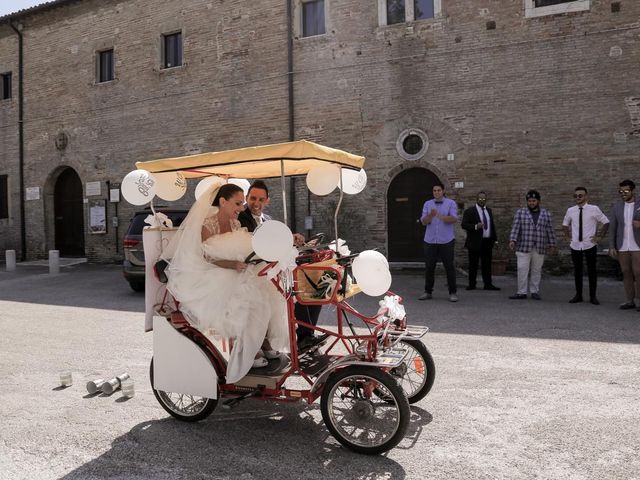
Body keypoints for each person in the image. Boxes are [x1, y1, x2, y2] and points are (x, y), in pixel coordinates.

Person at [166, 179, 288, 383]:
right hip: (212, 272)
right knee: (247, 298)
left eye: (242, 203)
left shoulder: (235, 223)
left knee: (268, 291)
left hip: (236, 268)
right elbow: (207, 257)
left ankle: (263, 342)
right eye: (238, 203)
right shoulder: (207, 225)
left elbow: (242, 249)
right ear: (223, 202)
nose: (242, 208)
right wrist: (232, 265)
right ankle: (249, 350)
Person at [238, 180, 327, 351]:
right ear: (247, 198)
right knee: (298, 288)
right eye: (253, 198)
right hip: (256, 271)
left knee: (314, 288)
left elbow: (276, 241)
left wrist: (293, 238)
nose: (256, 203)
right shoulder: (241, 219)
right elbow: (255, 245)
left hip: (274, 268)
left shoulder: (269, 219)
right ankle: (304, 336)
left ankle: (306, 335)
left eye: (260, 199)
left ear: (267, 201)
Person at [562, 187, 609, 305]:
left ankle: (593, 296)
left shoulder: (594, 209)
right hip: (575, 245)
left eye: (580, 195)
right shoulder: (570, 210)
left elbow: (606, 222)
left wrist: (599, 237)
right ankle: (578, 295)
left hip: (590, 244)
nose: (578, 197)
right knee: (577, 271)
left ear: (586, 196)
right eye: (576, 196)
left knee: (592, 271)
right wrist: (567, 237)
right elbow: (565, 224)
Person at [508, 190, 557, 300]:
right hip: (523, 246)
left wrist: (552, 244)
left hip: (539, 247)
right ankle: (521, 292)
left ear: (538, 201)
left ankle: (534, 291)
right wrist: (512, 240)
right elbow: (515, 228)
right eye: (529, 201)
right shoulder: (520, 212)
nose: (531, 203)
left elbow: (550, 230)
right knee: (522, 269)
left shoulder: (546, 213)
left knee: (536, 270)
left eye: (534, 201)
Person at [419, 183, 459, 302]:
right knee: (429, 267)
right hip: (430, 240)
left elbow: (453, 219)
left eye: (438, 190)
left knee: (449, 267)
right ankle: (428, 292)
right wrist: (431, 215)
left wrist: (440, 216)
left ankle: (453, 293)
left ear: (443, 191)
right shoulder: (427, 204)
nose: (436, 192)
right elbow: (424, 222)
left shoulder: (451, 203)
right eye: (434, 190)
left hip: (446, 240)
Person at [608, 179, 640, 310]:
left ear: (633, 191)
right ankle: (629, 300)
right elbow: (613, 228)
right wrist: (611, 246)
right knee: (626, 272)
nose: (623, 193)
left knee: (638, 273)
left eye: (626, 191)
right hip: (622, 245)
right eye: (620, 191)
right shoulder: (617, 207)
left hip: (637, 245)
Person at [461, 191, 500, 291]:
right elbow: (464, 225)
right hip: (475, 242)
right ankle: (472, 284)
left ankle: (488, 284)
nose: (482, 200)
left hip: (487, 242)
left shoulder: (489, 211)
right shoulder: (470, 211)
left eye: (484, 199)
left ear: (486, 200)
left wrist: (495, 240)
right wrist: (475, 226)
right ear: (476, 199)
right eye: (480, 199)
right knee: (473, 264)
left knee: (487, 265)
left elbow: (492, 226)